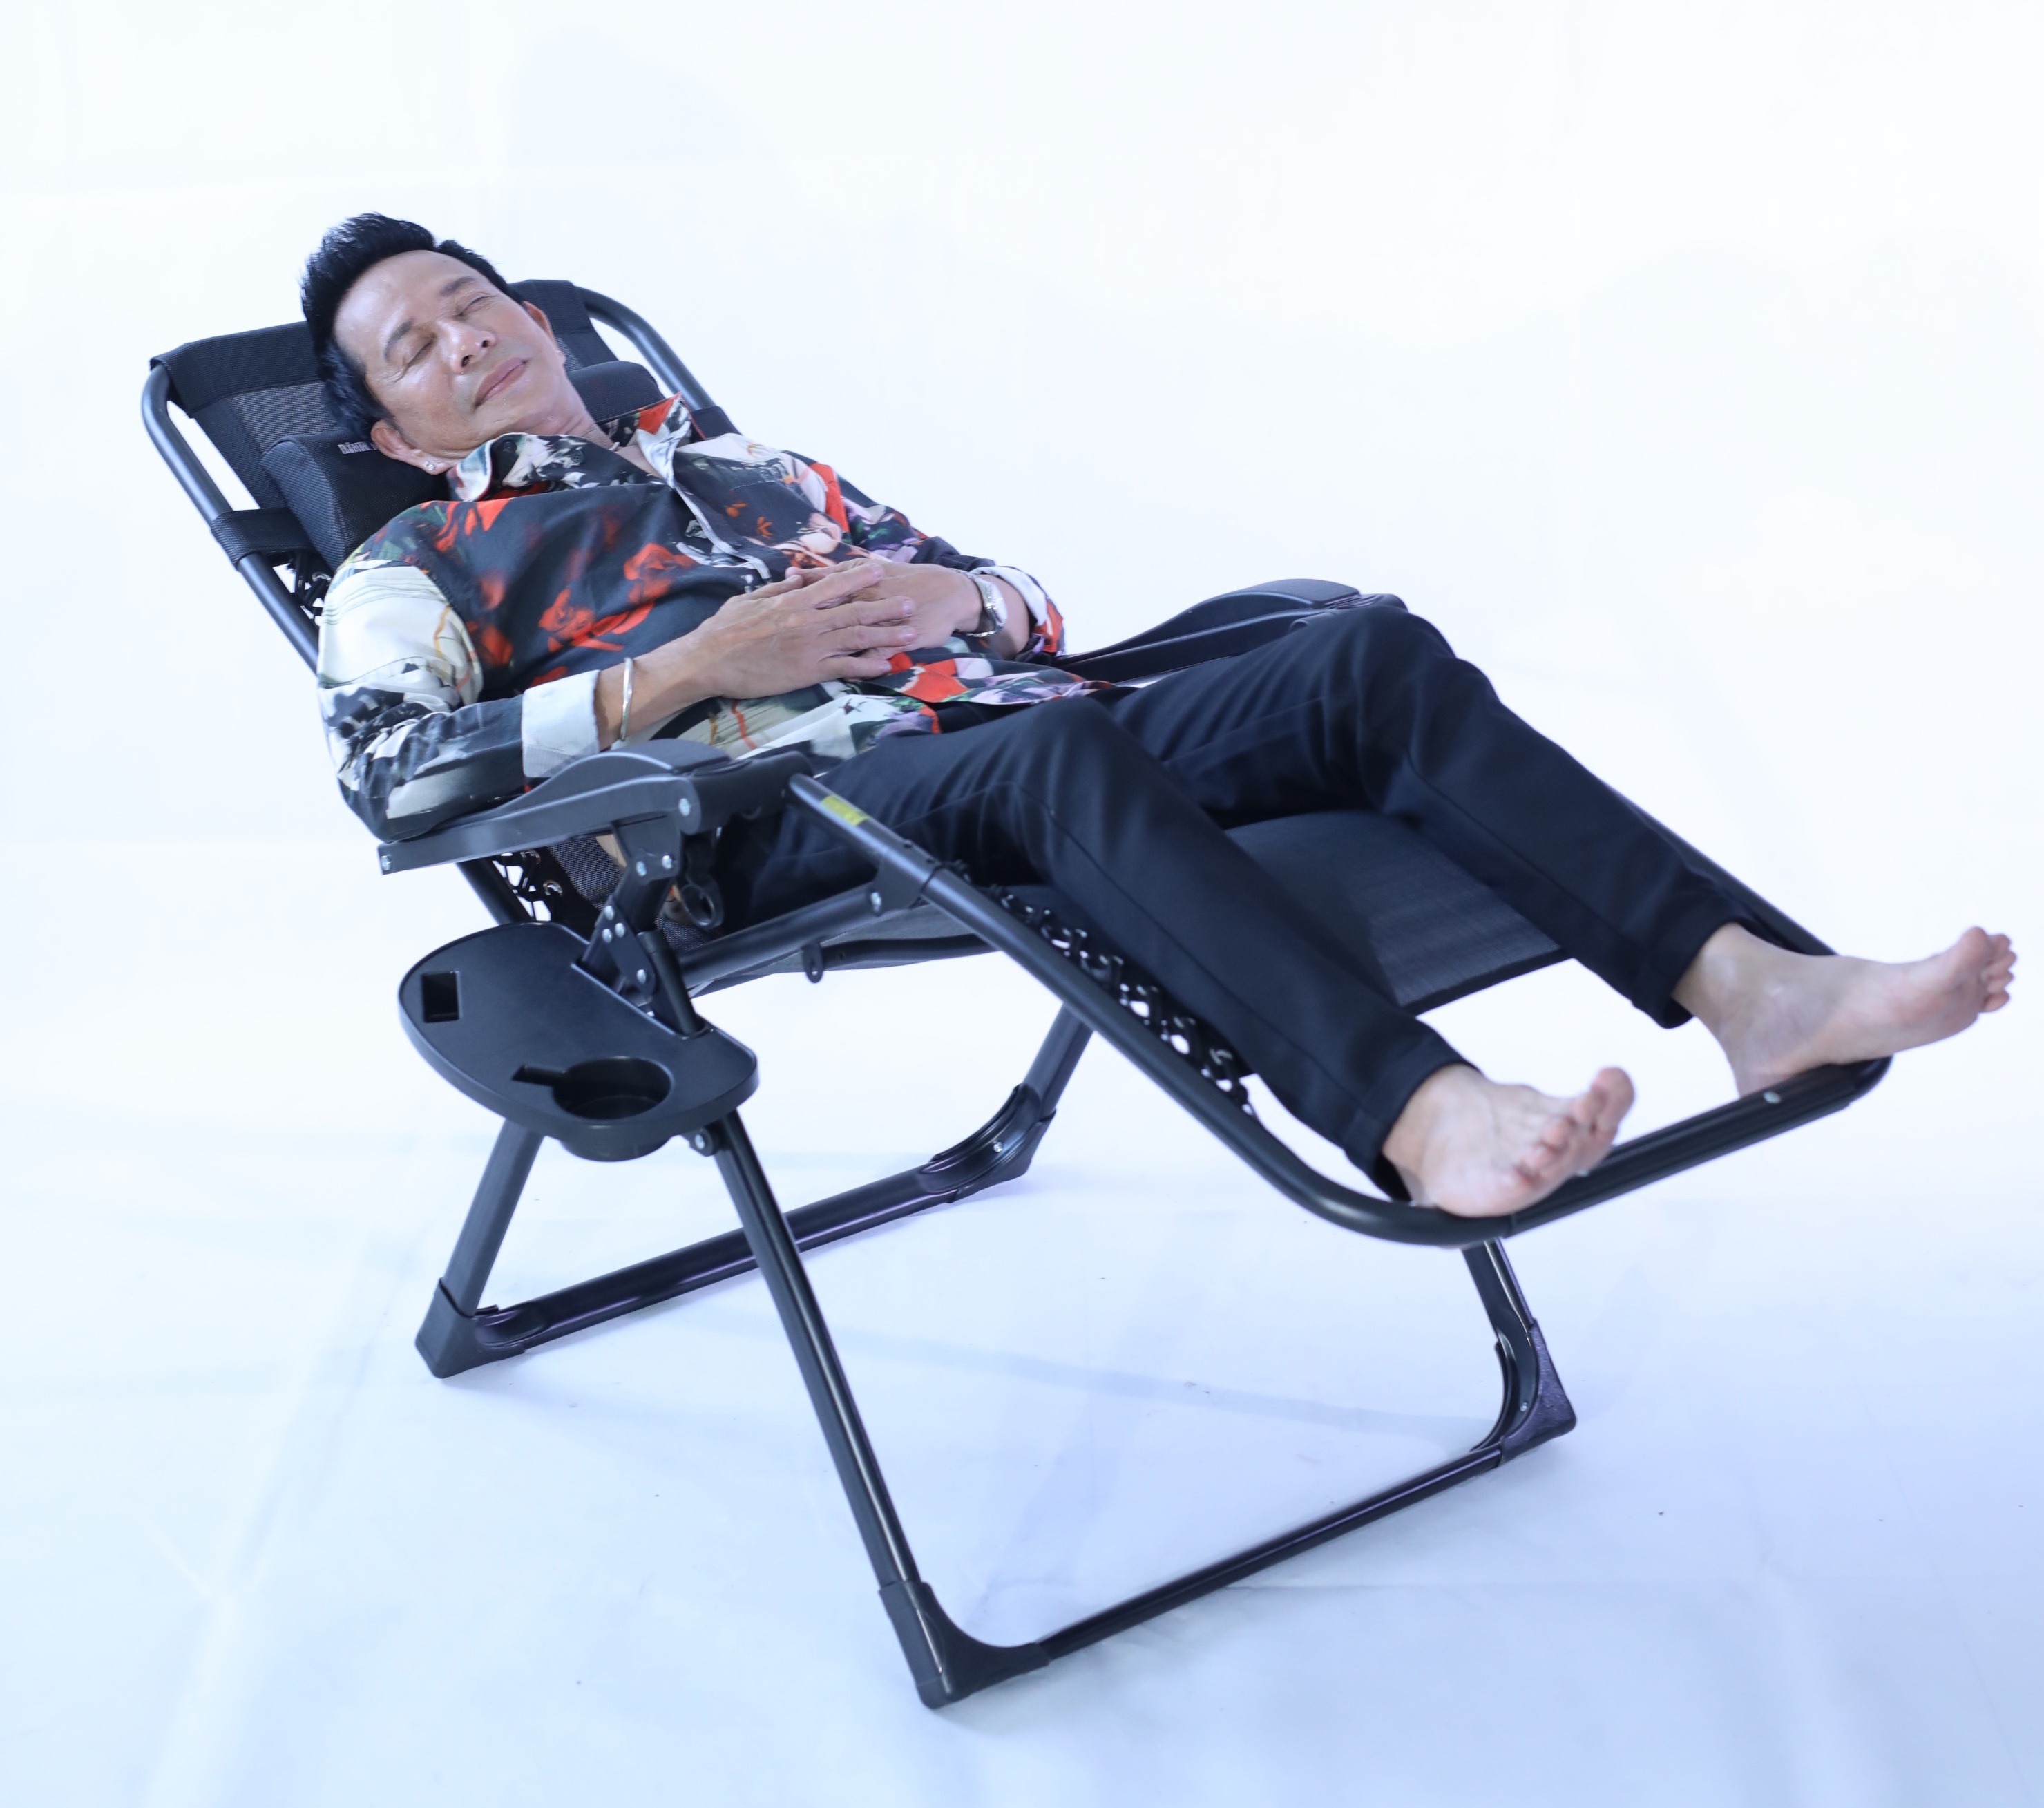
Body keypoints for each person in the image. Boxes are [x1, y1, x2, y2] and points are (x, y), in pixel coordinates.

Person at [304, 214, 2014, 1220]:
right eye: (411, 348)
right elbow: (390, 780)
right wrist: (687, 671)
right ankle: (1421, 1114)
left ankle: (1753, 986)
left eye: (471, 304)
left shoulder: (752, 464)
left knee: (1361, 652)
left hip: (1028, 726)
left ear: (534, 319)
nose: (460, 341)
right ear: (392, 432)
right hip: (788, 821)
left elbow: (1024, 602)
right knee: (1055, 753)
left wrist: (965, 606)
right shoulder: (415, 564)